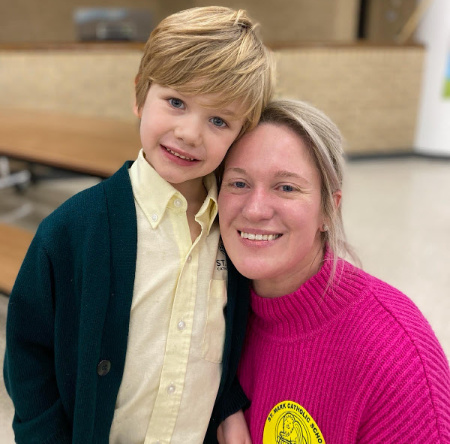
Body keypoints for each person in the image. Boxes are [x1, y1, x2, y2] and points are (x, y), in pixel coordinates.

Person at [3, 7, 273, 444]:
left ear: (242, 133)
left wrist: (227, 409)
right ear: (140, 94)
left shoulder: (234, 233)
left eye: (219, 120)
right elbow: (28, 355)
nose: (189, 133)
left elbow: (225, 348)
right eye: (176, 102)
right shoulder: (71, 230)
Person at [218, 99, 450, 443]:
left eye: (286, 187)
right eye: (239, 183)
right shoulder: (214, 309)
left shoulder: (396, 356)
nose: (254, 209)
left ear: (329, 210)